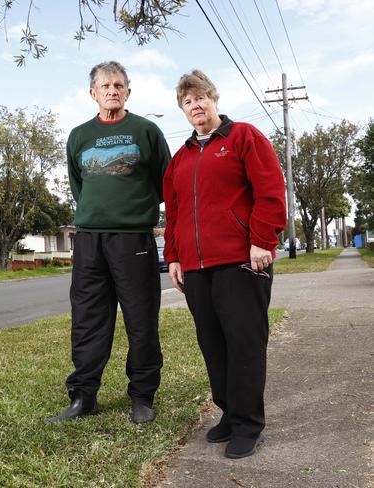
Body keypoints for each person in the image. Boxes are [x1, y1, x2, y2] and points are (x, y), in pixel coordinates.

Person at [163, 69, 286, 458]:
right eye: (187, 101)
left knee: (244, 343)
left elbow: (270, 190)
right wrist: (175, 257)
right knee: (213, 344)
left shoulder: (243, 136)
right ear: (182, 110)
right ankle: (231, 414)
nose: (195, 105)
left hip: (240, 261)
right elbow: (175, 213)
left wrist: (261, 241)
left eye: (200, 97)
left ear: (213, 99)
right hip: (197, 268)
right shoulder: (180, 158)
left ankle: (249, 424)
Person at [45, 61, 171, 424]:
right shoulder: (79, 136)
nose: (112, 90)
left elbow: (167, 185)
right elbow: (79, 187)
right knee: (87, 320)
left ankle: (142, 397)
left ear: (128, 91)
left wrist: (133, 210)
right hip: (88, 241)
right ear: (93, 93)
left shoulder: (146, 131)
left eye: (119, 85)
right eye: (105, 86)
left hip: (133, 239)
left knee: (140, 320)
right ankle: (84, 397)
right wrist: (97, 214)